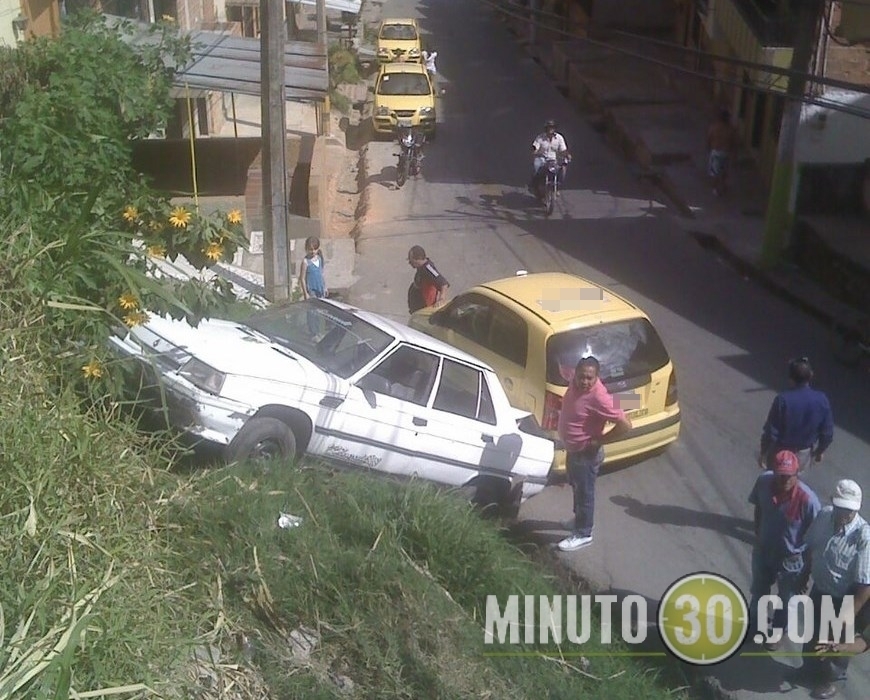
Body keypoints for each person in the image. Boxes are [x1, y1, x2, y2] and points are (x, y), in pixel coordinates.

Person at [792, 480, 870, 699]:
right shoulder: (824, 516)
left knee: (834, 644)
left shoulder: (863, 536)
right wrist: (804, 573)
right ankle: (807, 671)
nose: (844, 513)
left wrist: (848, 615)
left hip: (845, 598)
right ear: (834, 503)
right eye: (841, 507)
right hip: (821, 588)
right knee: (812, 632)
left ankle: (830, 681)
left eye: (849, 509)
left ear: (856, 508)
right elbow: (811, 547)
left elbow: (866, 585)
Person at [556, 356, 632, 552]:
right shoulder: (574, 383)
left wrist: (599, 441)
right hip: (574, 451)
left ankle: (584, 533)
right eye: (581, 376)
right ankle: (579, 519)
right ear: (575, 373)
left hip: (586, 455)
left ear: (597, 377)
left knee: (585, 494)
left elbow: (625, 425)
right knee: (577, 488)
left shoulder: (599, 397)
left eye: (590, 378)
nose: (584, 381)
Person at [748, 450, 821, 651]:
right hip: (764, 550)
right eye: (780, 475)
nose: (784, 480)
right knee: (759, 590)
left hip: (791, 559)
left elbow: (815, 538)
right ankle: (755, 625)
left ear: (797, 474)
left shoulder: (809, 501)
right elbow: (759, 507)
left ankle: (778, 630)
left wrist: (806, 572)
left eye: (789, 476)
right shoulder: (764, 482)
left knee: (787, 599)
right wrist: (758, 531)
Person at [759, 357, 834, 472]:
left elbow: (771, 431)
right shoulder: (821, 399)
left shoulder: (783, 399)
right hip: (803, 454)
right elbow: (827, 433)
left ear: (791, 379)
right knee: (795, 485)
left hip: (781, 452)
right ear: (811, 375)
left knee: (774, 483)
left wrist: (763, 452)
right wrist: (820, 451)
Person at [529, 119, 570, 197]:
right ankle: (535, 185)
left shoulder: (559, 138)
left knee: (563, 169)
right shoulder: (540, 137)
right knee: (536, 167)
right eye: (549, 127)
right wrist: (535, 151)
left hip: (554, 159)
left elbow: (563, 149)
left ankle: (557, 187)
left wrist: (567, 155)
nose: (550, 129)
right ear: (546, 129)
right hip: (542, 158)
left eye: (552, 127)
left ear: (555, 129)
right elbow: (535, 147)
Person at [407, 245, 449, 314]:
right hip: (416, 305)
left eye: (411, 261)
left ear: (419, 259)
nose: (410, 263)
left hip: (423, 307)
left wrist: (441, 299)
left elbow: (443, 283)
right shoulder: (421, 267)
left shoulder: (429, 269)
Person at [706, 108, 738, 196]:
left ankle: (715, 189)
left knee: (714, 172)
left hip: (716, 152)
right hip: (726, 152)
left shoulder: (714, 127)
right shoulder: (730, 129)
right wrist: (734, 154)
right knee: (724, 172)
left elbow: (709, 138)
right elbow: (734, 142)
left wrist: (708, 148)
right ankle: (723, 186)